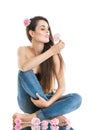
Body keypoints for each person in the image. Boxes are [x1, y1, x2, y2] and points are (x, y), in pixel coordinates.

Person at [12, 16, 82, 129]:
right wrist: (51, 51)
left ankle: (34, 117)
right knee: (24, 73)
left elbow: (62, 87)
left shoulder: (54, 57)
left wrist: (48, 104)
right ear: (32, 33)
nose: (47, 32)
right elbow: (24, 68)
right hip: (29, 101)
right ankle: (51, 115)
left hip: (45, 102)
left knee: (77, 98)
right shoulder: (23, 50)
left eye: (48, 29)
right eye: (42, 28)